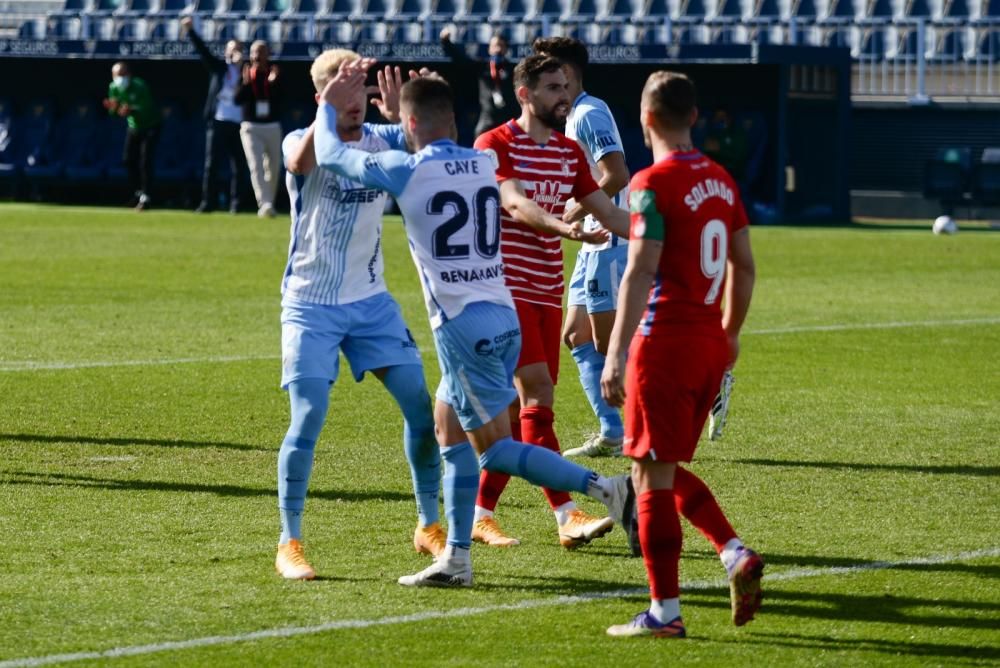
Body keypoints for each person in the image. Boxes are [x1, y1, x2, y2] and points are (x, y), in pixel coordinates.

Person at [313, 63, 631, 586]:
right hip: (503, 309)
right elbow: (506, 195)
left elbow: (329, 154)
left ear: (409, 125)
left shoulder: (405, 168)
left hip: (461, 323)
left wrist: (328, 105)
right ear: (454, 122)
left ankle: (606, 489)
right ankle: (457, 556)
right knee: (449, 429)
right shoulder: (482, 160)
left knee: (495, 447)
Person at [601, 71, 763, 638]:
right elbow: (745, 267)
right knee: (658, 467)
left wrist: (614, 353)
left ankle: (664, 613)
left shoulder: (651, 181)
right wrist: (731, 333)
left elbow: (640, 269)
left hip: (663, 344)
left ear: (646, 119)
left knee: (650, 477)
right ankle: (732, 551)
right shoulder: (720, 179)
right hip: (708, 344)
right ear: (694, 117)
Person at [273, 50, 444, 580]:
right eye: (344, 92)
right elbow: (299, 164)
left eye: (361, 89)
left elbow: (434, 152)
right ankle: (289, 541)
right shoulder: (300, 139)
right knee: (308, 416)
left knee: (421, 410)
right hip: (310, 305)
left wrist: (405, 116)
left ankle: (428, 524)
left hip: (372, 303)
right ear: (321, 96)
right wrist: (327, 105)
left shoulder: (382, 139)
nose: (357, 101)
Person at [471, 55, 631, 548]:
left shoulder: (567, 151)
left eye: (565, 86)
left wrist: (669, 237)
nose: (564, 96)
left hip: (545, 291)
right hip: (502, 291)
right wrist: (566, 228)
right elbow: (514, 202)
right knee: (537, 397)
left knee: (518, 413)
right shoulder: (494, 143)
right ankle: (567, 513)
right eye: (553, 88)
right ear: (525, 94)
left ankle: (480, 514)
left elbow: (611, 214)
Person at [531, 36, 631, 459]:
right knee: (575, 335)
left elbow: (617, 174)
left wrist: (574, 208)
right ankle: (612, 431)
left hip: (608, 240)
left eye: (549, 76)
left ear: (566, 74)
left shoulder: (589, 114)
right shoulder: (574, 117)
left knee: (610, 346)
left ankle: (700, 379)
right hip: (592, 239)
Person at [180, 16, 250, 215]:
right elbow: (203, 51)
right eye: (231, 49)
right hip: (218, 120)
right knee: (211, 164)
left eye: (238, 49)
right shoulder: (219, 68)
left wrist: (241, 68)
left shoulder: (247, 73)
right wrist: (190, 31)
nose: (234, 53)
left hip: (238, 123)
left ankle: (236, 204)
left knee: (239, 165)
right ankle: (207, 202)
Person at [102, 61, 161, 211]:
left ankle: (147, 196)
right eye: (116, 75)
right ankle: (138, 193)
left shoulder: (140, 86)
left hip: (151, 125)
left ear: (128, 74)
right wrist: (114, 109)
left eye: (122, 75)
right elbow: (115, 112)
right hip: (134, 127)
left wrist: (131, 110)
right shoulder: (113, 87)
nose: (119, 78)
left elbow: (146, 108)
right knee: (128, 160)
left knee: (145, 160)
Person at [235, 40, 284, 218]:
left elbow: (283, 98)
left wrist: (273, 84)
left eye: (261, 52)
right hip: (251, 127)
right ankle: (265, 203)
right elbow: (237, 100)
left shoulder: (275, 72)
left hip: (272, 126)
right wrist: (245, 83)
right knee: (256, 166)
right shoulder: (247, 73)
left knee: (273, 167)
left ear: (268, 54)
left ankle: (270, 201)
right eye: (254, 52)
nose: (256, 56)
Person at [440, 29, 518, 138]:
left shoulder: (513, 69)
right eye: (495, 46)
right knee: (480, 140)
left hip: (507, 120)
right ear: (489, 49)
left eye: (501, 46)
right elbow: (461, 59)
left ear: (506, 49)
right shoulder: (482, 67)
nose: (498, 49)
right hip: (487, 119)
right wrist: (445, 42)